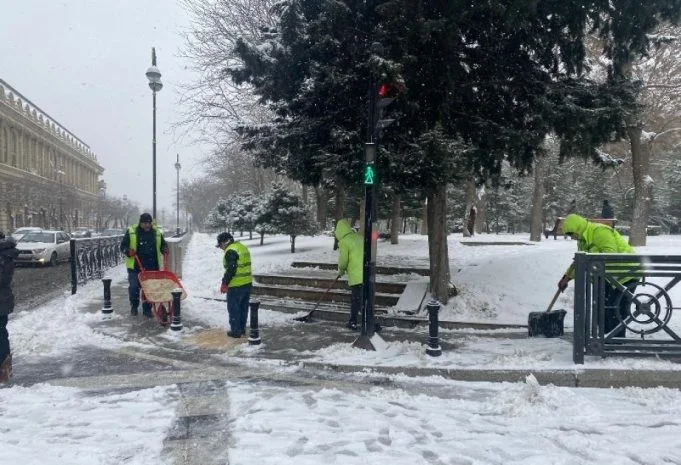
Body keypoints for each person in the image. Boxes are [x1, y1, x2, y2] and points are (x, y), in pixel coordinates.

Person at [558, 214, 636, 337]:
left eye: (571, 234)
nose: (572, 238)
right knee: (604, 308)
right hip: (608, 277)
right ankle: (605, 339)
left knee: (616, 309)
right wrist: (566, 278)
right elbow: (579, 262)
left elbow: (610, 253)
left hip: (626, 273)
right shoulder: (583, 240)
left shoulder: (600, 231)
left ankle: (615, 341)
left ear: (578, 228)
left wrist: (591, 261)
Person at [120, 213, 168, 317]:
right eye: (145, 223)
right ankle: (134, 306)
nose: (147, 225)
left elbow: (163, 244)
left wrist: (164, 248)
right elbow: (123, 246)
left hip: (152, 266)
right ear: (140, 223)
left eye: (149, 223)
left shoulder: (156, 233)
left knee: (149, 290)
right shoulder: (132, 232)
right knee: (134, 288)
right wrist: (128, 251)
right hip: (135, 267)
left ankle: (147, 309)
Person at [217, 232, 252, 338]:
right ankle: (241, 329)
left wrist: (225, 283)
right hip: (247, 284)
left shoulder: (231, 250)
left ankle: (236, 331)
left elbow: (231, 268)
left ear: (224, 242)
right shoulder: (241, 247)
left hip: (236, 286)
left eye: (220, 245)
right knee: (243, 308)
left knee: (234, 309)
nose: (221, 248)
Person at [335, 219, 363, 330]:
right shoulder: (359, 237)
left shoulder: (344, 241)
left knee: (356, 299)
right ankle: (369, 321)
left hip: (356, 275)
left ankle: (353, 322)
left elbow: (343, 260)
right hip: (366, 273)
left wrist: (341, 270)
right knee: (365, 299)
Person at [0, 231, 18, 383]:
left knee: (0, 333)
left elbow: (2, 278)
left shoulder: (4, 256)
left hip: (1, 300)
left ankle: (4, 371)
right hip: (3, 299)